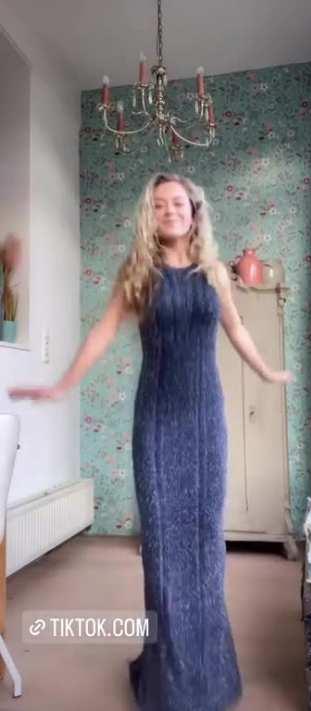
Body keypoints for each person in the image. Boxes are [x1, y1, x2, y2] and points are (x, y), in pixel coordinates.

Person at [8, 172, 293, 710]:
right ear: (150, 214)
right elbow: (102, 332)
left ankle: (209, 675)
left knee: (205, 547)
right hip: (158, 423)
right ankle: (169, 681)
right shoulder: (138, 272)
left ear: (194, 210)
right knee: (162, 550)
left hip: (205, 423)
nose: (170, 210)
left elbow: (236, 328)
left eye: (178, 202)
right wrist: (60, 385)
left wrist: (265, 372)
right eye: (159, 204)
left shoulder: (215, 272)